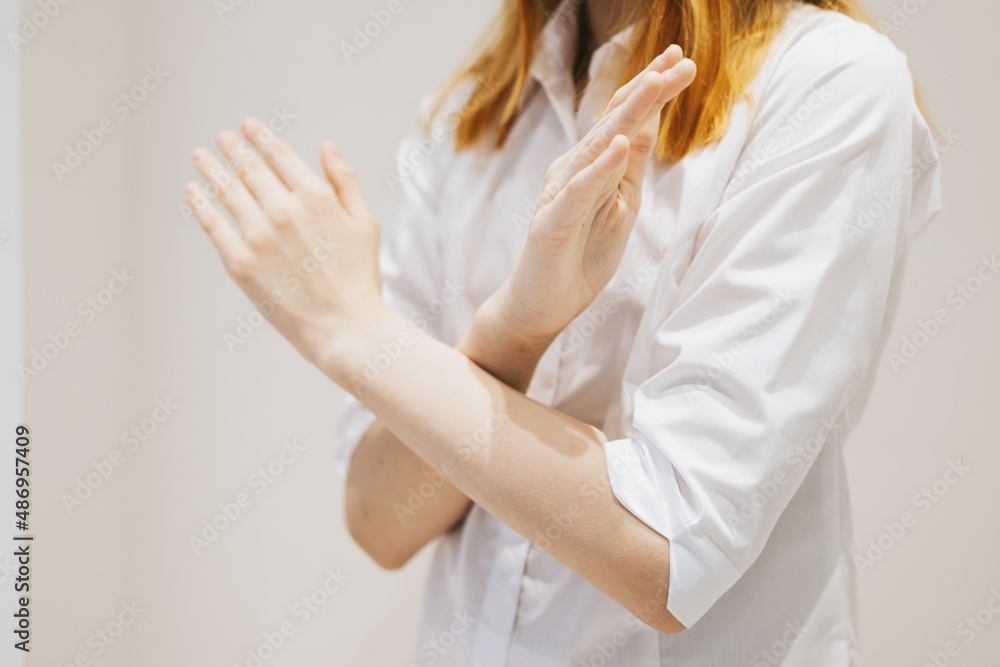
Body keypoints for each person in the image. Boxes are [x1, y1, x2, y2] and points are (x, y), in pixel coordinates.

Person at [184, 0, 941, 663]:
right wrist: (515, 330)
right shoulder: (465, 119)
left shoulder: (829, 81)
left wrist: (354, 329)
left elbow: (670, 556)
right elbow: (382, 522)